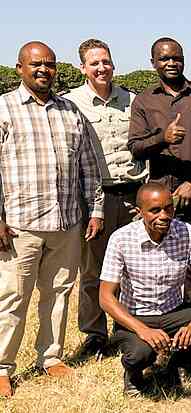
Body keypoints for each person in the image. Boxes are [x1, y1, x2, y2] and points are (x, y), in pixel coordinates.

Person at [0, 41, 104, 397]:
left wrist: (96, 209)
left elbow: (89, 167)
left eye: (50, 64)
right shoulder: (4, 109)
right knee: (13, 297)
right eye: (35, 64)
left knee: (59, 293)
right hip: (18, 224)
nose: (43, 70)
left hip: (66, 223)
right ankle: (2, 366)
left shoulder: (70, 111)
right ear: (19, 68)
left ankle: (50, 356)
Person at [99, 182, 191, 397]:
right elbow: (105, 297)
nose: (164, 215)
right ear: (140, 212)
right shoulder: (121, 239)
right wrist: (143, 330)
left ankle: (177, 364)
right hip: (136, 317)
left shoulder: (188, 233)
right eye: (155, 210)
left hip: (175, 311)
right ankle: (134, 376)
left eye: (169, 208)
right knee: (140, 353)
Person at [128, 37, 191, 303]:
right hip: (160, 202)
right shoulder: (144, 101)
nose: (171, 63)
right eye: (164, 58)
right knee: (162, 263)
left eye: (176, 58)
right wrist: (163, 138)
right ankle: (167, 317)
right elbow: (135, 147)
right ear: (153, 63)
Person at [65, 38, 146, 358]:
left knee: (132, 268)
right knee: (93, 271)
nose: (102, 68)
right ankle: (95, 334)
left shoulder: (132, 101)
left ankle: (127, 329)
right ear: (82, 68)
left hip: (131, 195)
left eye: (106, 61)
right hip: (95, 198)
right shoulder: (71, 103)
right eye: (94, 63)